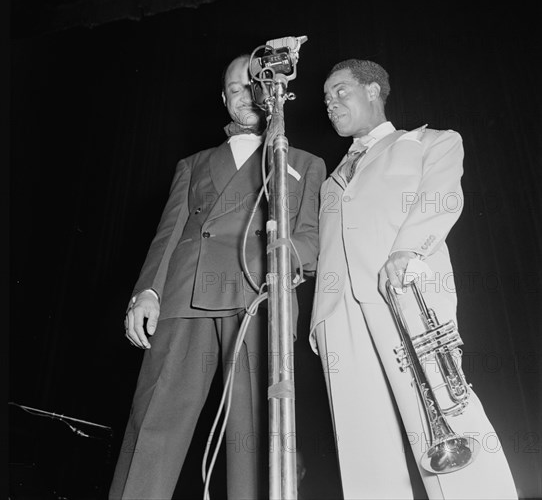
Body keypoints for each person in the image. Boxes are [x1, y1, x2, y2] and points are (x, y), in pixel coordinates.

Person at [109, 54, 326, 500]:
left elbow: (310, 240)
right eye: (233, 89)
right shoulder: (193, 163)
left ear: (273, 91)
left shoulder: (304, 162)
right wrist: (146, 291)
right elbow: (168, 233)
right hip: (184, 296)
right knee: (154, 422)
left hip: (259, 298)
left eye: (253, 85)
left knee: (254, 434)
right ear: (224, 100)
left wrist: (281, 260)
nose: (244, 95)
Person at [310, 59, 518, 500]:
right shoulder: (329, 183)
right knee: (360, 438)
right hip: (339, 313)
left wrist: (407, 251)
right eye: (326, 98)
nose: (330, 103)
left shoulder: (430, 142)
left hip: (404, 291)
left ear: (373, 90)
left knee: (445, 411)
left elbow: (439, 198)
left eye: (340, 91)